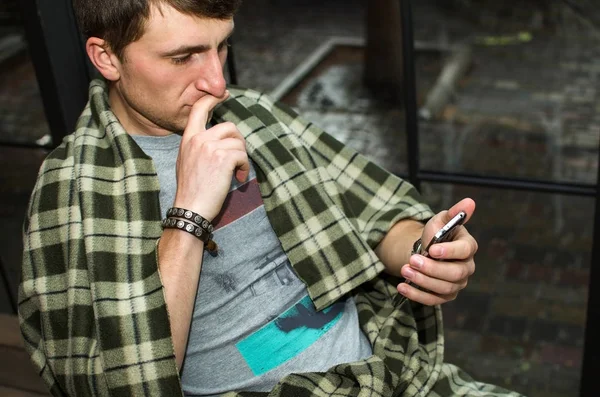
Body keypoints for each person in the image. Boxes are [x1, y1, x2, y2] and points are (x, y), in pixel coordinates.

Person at [18, 0, 520, 396]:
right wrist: (190, 212)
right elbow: (121, 383)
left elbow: (380, 213)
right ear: (106, 56)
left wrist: (425, 250)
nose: (217, 81)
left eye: (221, 47)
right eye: (183, 56)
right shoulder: (71, 191)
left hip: (389, 370)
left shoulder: (254, 115)